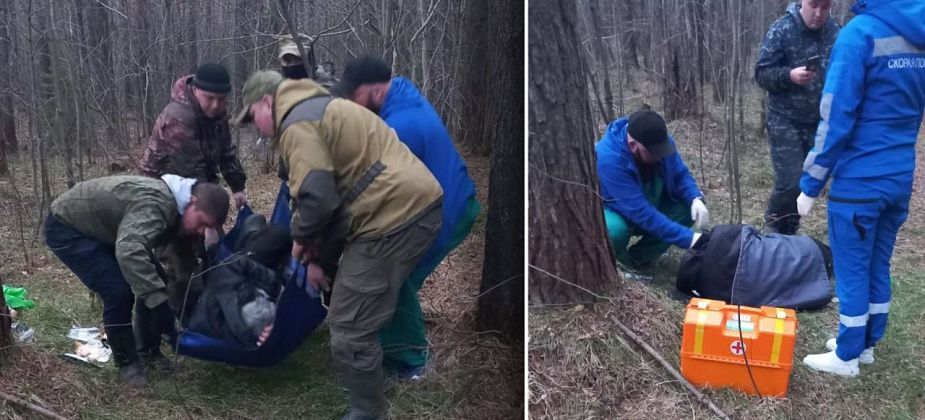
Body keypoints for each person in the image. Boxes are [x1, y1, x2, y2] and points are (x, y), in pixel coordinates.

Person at [235, 70, 443, 420]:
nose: (254, 126)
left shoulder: (297, 121)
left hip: (394, 216)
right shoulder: (320, 107)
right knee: (355, 305)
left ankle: (367, 410)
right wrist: (318, 261)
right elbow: (336, 203)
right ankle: (373, 377)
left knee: (349, 325)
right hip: (398, 210)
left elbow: (317, 200)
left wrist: (301, 242)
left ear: (267, 102)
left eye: (252, 116)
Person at [332, 55, 480, 380]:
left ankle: (412, 361)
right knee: (394, 278)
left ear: (374, 91)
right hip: (454, 198)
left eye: (354, 96)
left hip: (448, 211)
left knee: (394, 280)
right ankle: (394, 338)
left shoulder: (401, 127)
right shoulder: (401, 95)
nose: (351, 103)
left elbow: (386, 191)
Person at [798, 0, 925, 377]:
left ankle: (847, 356)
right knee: (877, 263)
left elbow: (836, 115)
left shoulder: (858, 34)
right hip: (899, 175)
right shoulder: (918, 38)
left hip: (860, 180)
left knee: (852, 267)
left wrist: (810, 183)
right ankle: (867, 343)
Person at [44, 175, 230, 386]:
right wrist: (159, 302)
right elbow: (129, 250)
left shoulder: (181, 209)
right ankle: (128, 364)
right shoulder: (158, 204)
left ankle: (148, 352)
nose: (200, 231)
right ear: (193, 203)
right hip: (68, 227)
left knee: (156, 280)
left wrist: (175, 312)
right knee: (118, 291)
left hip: (107, 230)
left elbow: (177, 265)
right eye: (202, 223)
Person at [139, 62, 247, 310]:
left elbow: (226, 152)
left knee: (207, 252)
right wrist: (210, 224)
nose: (216, 105)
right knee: (178, 261)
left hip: (197, 191)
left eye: (222, 99)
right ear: (196, 90)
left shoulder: (216, 114)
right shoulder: (179, 117)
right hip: (162, 193)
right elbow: (191, 174)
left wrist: (237, 186)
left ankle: (202, 311)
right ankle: (175, 325)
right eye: (210, 98)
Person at [755, 0, 839, 234]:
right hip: (785, 120)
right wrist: (788, 75)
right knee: (789, 182)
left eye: (825, 7)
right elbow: (761, 73)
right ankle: (772, 229)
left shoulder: (835, 32)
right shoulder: (782, 29)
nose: (819, 13)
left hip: (820, 123)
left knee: (807, 183)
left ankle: (788, 235)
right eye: (814, 6)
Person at [596, 110, 710, 270]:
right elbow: (641, 213)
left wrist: (695, 197)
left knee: (688, 208)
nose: (660, 156)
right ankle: (620, 265)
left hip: (647, 201)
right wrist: (690, 239)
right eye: (654, 153)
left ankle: (639, 258)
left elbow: (679, 174)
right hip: (617, 210)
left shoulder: (659, 142)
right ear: (633, 145)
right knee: (614, 231)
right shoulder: (608, 159)